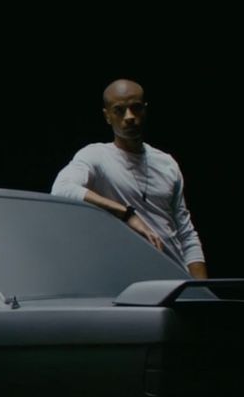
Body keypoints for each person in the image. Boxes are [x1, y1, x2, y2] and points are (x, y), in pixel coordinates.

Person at [51, 79, 209, 279]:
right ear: (107, 116)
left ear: (145, 110)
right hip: (131, 281)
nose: (129, 117)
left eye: (136, 108)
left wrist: (202, 291)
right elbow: (61, 189)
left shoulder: (167, 163)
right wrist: (127, 214)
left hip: (178, 279)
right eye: (119, 110)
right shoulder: (96, 156)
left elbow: (186, 234)